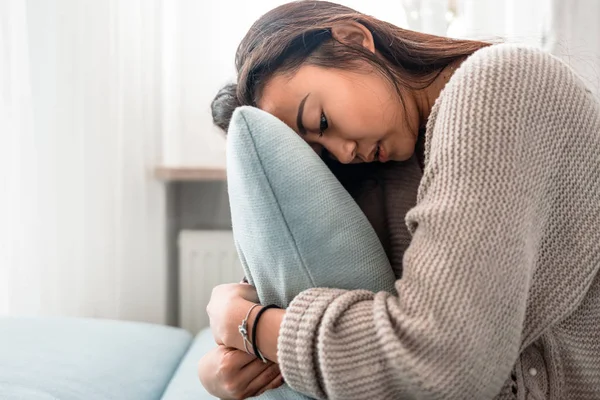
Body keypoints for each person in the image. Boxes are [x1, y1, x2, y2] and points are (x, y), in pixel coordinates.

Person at [199, 1, 600, 399]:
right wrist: (215, 365)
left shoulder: (501, 84)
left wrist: (248, 325)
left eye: (320, 122)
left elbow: (443, 361)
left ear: (354, 41)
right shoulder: (387, 164)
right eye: (320, 149)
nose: (341, 152)